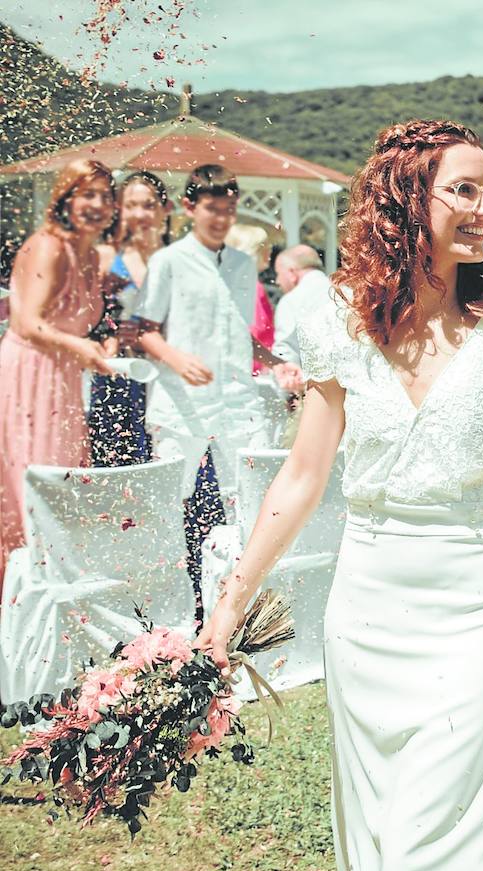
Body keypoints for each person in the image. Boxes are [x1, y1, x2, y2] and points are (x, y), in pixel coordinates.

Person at [196, 120, 483, 871]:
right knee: (373, 837)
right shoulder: (339, 323)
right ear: (406, 200)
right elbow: (303, 476)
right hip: (368, 610)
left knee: (435, 837)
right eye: (462, 190)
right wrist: (231, 603)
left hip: (477, 606)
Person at [134, 164, 286, 614]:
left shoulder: (241, 265)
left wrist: (279, 363)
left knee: (250, 499)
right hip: (181, 402)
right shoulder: (168, 261)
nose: (221, 219)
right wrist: (178, 358)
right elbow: (143, 330)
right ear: (189, 207)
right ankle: (167, 615)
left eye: (229, 210)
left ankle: (243, 609)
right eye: (212, 209)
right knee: (170, 501)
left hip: (237, 399)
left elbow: (240, 335)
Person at [0, 159, 116, 591]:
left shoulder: (92, 255)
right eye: (87, 194)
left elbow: (70, 327)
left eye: (105, 195)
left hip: (62, 378)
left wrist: (96, 346)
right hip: (28, 375)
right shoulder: (48, 245)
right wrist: (78, 347)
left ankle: (48, 591)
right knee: (32, 486)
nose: (97, 204)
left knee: (62, 481)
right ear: (65, 198)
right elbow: (27, 322)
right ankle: (18, 597)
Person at [88, 170, 170, 467]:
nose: (140, 214)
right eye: (131, 205)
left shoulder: (180, 258)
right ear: (119, 210)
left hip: (167, 378)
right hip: (118, 375)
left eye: (148, 205)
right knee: (114, 467)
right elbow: (86, 319)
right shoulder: (105, 258)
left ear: (165, 208)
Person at [270, 244, 329, 386]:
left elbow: (286, 350)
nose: (277, 281)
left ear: (292, 273)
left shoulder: (292, 300)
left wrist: (287, 395)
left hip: (317, 390)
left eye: (278, 273)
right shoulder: (345, 290)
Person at [224, 224, 278, 378]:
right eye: (264, 247)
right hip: (250, 373)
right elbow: (257, 331)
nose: (270, 251)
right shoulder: (251, 287)